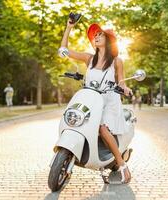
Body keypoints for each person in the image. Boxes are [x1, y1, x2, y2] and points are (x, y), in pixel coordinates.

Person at [59, 18, 132, 183]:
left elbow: (121, 81)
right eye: (95, 36)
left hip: (110, 100)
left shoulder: (117, 61)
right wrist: (68, 27)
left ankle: (121, 165)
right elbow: (63, 50)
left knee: (102, 128)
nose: (96, 37)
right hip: (91, 98)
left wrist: (126, 89)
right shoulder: (88, 58)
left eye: (100, 35)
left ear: (108, 39)